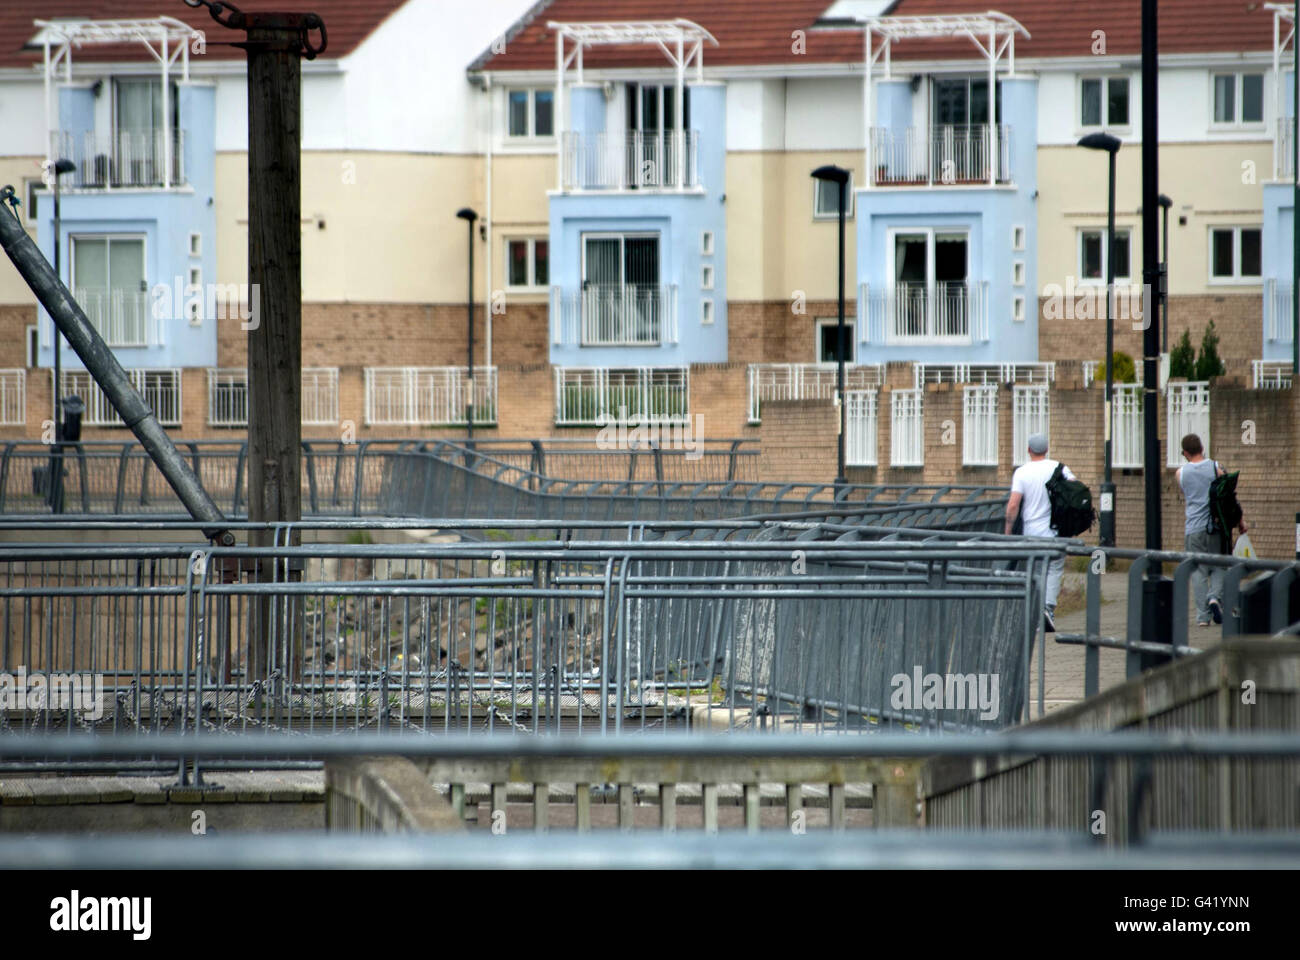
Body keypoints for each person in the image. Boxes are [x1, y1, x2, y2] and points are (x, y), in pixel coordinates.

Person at [1004, 433, 1075, 633]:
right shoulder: (1060, 468)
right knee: (1054, 568)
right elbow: (1075, 490)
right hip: (1057, 531)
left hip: (1032, 533)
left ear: (1028, 450)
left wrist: (1008, 531)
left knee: (1034, 571)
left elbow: (1013, 505)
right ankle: (1048, 609)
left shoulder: (1022, 472)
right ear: (1046, 449)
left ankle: (1035, 613)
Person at [1177, 433, 1247, 626]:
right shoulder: (1216, 468)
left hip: (1193, 528)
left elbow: (1188, 494)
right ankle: (1214, 597)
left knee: (1198, 570)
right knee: (1220, 565)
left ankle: (1203, 617)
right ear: (1202, 448)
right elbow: (1229, 497)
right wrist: (1240, 522)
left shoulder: (1180, 473)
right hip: (1216, 526)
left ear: (1185, 452)